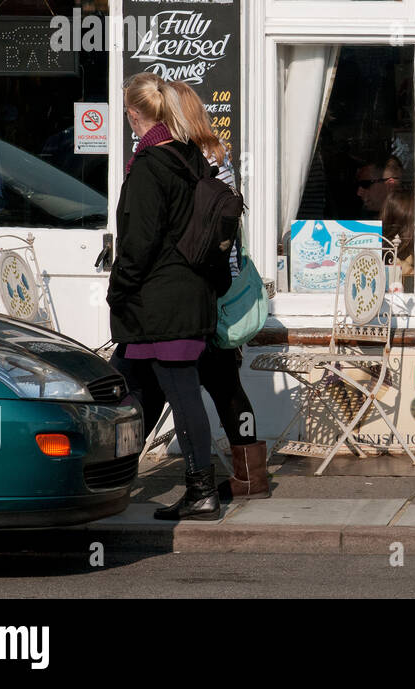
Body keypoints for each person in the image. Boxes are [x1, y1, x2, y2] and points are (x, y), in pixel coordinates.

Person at [107, 73, 229, 521]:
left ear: (135, 114)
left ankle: (201, 490)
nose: (128, 122)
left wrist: (116, 290)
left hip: (159, 304)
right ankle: (111, 476)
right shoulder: (188, 157)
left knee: (178, 392)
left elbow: (138, 244)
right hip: (183, 298)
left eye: (127, 114)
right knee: (126, 389)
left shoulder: (150, 166)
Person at [164, 81, 271, 500]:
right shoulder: (219, 155)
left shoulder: (194, 159)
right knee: (227, 386)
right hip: (222, 284)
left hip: (202, 288)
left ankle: (200, 480)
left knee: (182, 386)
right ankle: (251, 475)